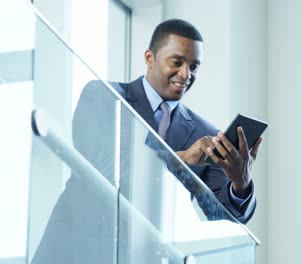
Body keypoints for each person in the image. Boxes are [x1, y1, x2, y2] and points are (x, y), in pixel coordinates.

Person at [32, 19, 263, 263]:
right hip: (75, 249)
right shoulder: (103, 97)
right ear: (150, 57)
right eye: (177, 62)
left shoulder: (203, 132)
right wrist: (180, 160)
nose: (186, 74)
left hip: (141, 256)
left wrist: (240, 184)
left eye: (194, 66)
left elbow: (223, 220)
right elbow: (105, 169)